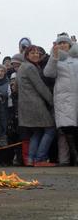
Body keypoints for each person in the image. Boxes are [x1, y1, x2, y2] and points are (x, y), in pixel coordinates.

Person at [16, 45, 56, 166]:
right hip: (35, 104)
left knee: (36, 132)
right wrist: (52, 101)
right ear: (27, 55)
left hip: (24, 105)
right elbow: (40, 87)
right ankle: (40, 159)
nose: (36, 55)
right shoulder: (30, 68)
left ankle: (30, 159)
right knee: (50, 129)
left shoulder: (22, 67)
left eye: (38, 53)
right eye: (32, 53)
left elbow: (16, 87)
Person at [44, 35, 78, 166]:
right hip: (64, 99)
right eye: (60, 43)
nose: (63, 45)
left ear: (70, 45)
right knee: (68, 129)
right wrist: (54, 57)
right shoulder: (55, 59)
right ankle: (75, 158)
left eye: (65, 43)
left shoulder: (76, 58)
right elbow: (48, 73)